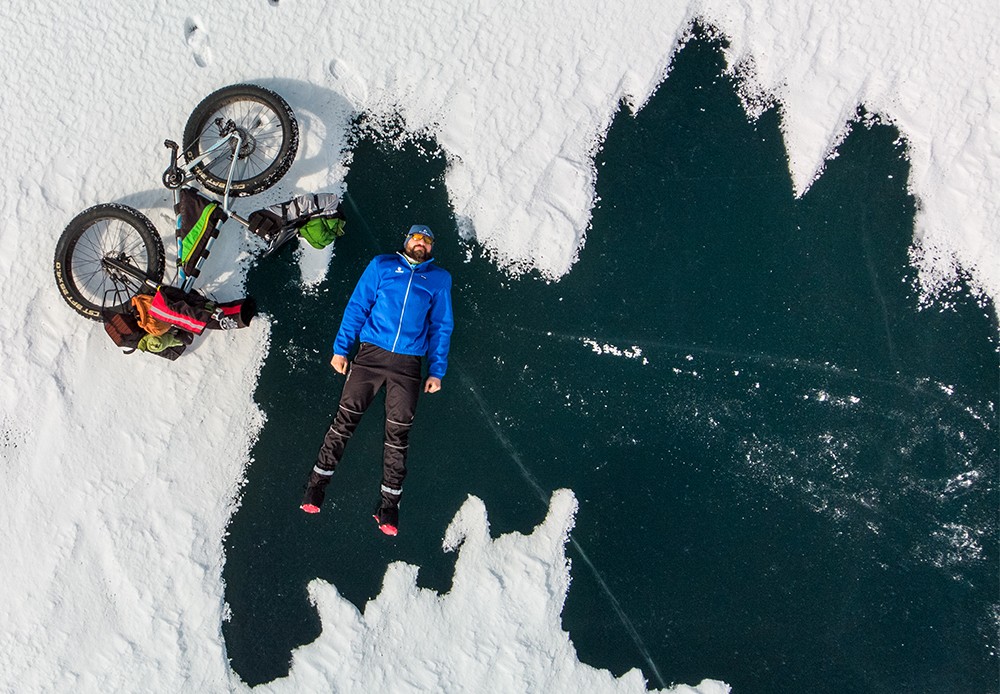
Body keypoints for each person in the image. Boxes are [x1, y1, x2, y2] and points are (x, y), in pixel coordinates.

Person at [300, 225, 454, 536]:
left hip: (408, 365)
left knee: (398, 438)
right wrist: (340, 350)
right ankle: (316, 488)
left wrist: (437, 370)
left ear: (431, 248)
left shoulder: (439, 279)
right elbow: (357, 307)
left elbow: (441, 325)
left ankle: (388, 507)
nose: (421, 243)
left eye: (427, 240)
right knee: (344, 423)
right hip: (370, 356)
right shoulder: (382, 265)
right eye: (416, 238)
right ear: (406, 240)